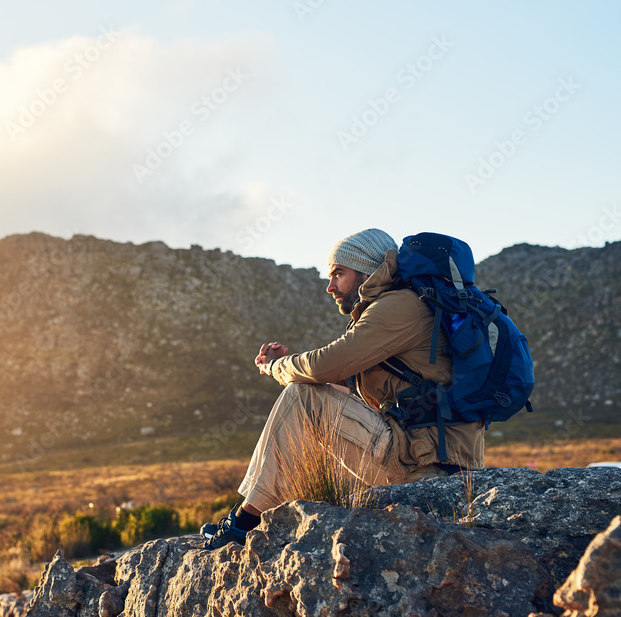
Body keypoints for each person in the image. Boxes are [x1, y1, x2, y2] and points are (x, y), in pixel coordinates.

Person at [201, 228, 484, 549]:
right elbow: (342, 387)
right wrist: (298, 367)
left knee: (302, 395)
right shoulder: (407, 306)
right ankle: (270, 519)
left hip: (425, 470)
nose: (330, 286)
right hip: (422, 458)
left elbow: (324, 366)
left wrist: (276, 366)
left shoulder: (400, 307)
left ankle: (244, 524)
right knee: (312, 397)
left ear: (367, 270)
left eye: (339, 273)